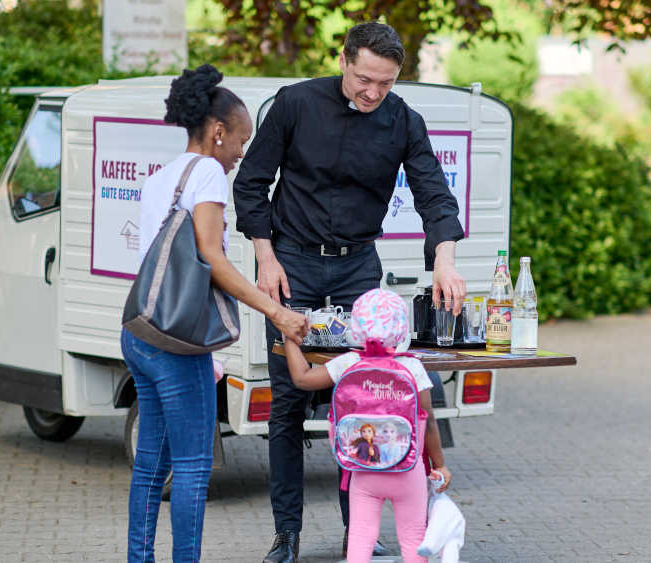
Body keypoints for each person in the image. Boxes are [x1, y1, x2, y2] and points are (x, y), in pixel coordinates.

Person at [232, 21, 467, 562]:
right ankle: (285, 534)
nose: (372, 92)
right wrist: (265, 256)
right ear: (343, 60)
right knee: (289, 403)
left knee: (362, 398)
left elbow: (434, 193)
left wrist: (444, 258)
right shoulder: (294, 104)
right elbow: (251, 184)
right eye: (364, 78)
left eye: (384, 84)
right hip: (291, 265)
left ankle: (356, 531)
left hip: (359, 270)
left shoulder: (404, 121)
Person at [122, 64, 309, 563]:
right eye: (241, 140)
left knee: (150, 464)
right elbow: (212, 258)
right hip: (176, 343)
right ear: (218, 131)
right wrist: (276, 311)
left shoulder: (160, 176)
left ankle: (139, 559)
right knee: (191, 464)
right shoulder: (206, 172)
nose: (241, 153)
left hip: (140, 331)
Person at [283, 288, 452, 563]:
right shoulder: (413, 368)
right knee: (413, 537)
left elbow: (302, 379)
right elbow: (429, 421)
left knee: (361, 536)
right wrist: (440, 464)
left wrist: (290, 340)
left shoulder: (349, 363)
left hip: (362, 470)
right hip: (408, 471)